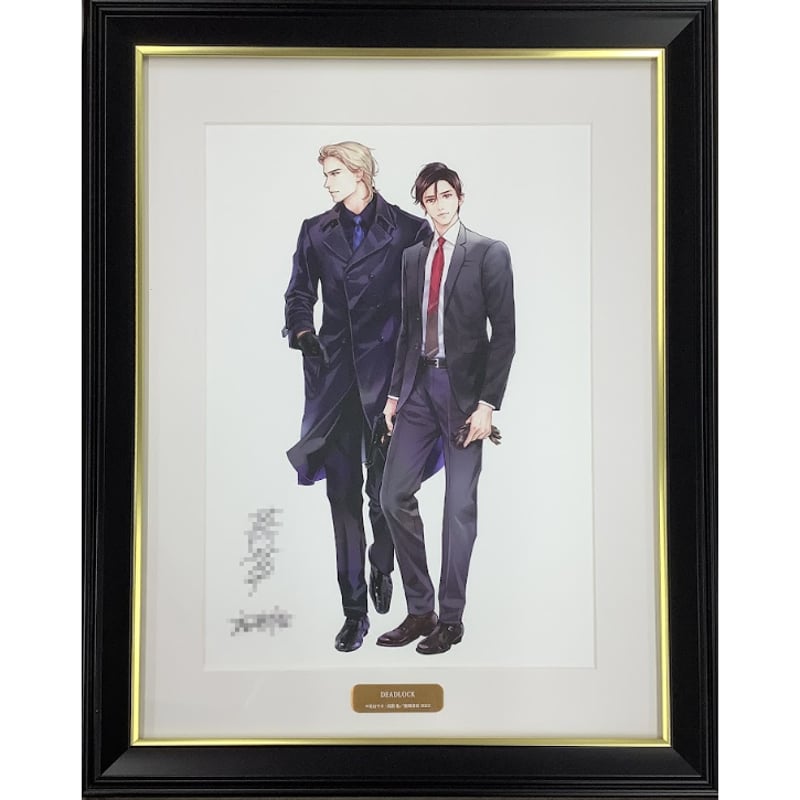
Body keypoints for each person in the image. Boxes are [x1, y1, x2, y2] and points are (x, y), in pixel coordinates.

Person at [283, 141, 438, 653]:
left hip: (389, 384)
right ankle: (354, 614)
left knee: (384, 495)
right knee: (343, 498)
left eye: (334, 173)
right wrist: (302, 331)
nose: (327, 183)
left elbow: (423, 309)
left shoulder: (409, 230)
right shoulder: (315, 231)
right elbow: (299, 294)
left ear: (360, 174)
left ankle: (382, 563)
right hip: (334, 385)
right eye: (325, 174)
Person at [377, 162, 515, 655]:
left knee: (458, 508)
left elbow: (505, 334)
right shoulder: (413, 258)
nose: (438, 204)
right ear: (422, 205)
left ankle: (451, 619)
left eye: (445, 194)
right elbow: (408, 331)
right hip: (417, 390)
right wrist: (395, 395)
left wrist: (487, 404)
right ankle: (421, 610)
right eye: (429, 198)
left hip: (464, 398)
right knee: (392, 495)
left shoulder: (488, 253)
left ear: (460, 196)